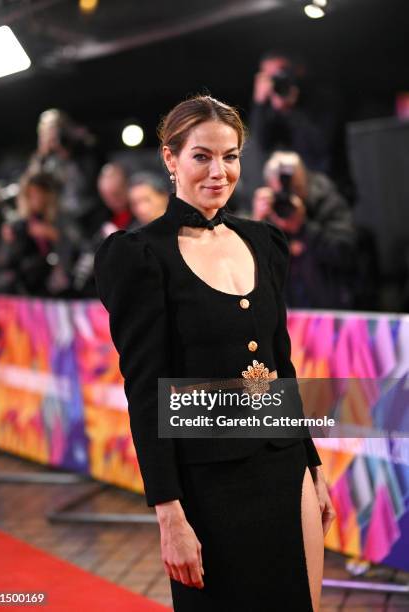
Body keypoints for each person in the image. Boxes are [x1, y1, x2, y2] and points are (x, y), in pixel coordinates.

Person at [94, 95, 335, 611]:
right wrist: (168, 514)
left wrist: (312, 465)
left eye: (231, 156)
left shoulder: (265, 242)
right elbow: (146, 394)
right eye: (202, 155)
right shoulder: (138, 256)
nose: (219, 171)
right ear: (170, 159)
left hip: (283, 468)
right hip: (207, 489)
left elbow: (281, 366)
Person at [253, 150, 356, 308]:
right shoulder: (269, 214)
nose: (288, 198)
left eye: (295, 188)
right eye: (280, 193)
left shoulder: (328, 203)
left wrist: (303, 227)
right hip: (288, 315)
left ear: (305, 179)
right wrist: (256, 224)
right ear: (269, 187)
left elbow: (344, 253)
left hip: (330, 312)